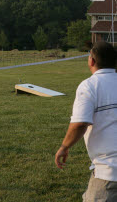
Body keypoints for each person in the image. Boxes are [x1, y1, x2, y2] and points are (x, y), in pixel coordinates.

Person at [55, 41, 117, 201]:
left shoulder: (89, 86)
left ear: (91, 61)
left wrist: (64, 146)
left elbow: (80, 123)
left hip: (109, 171)